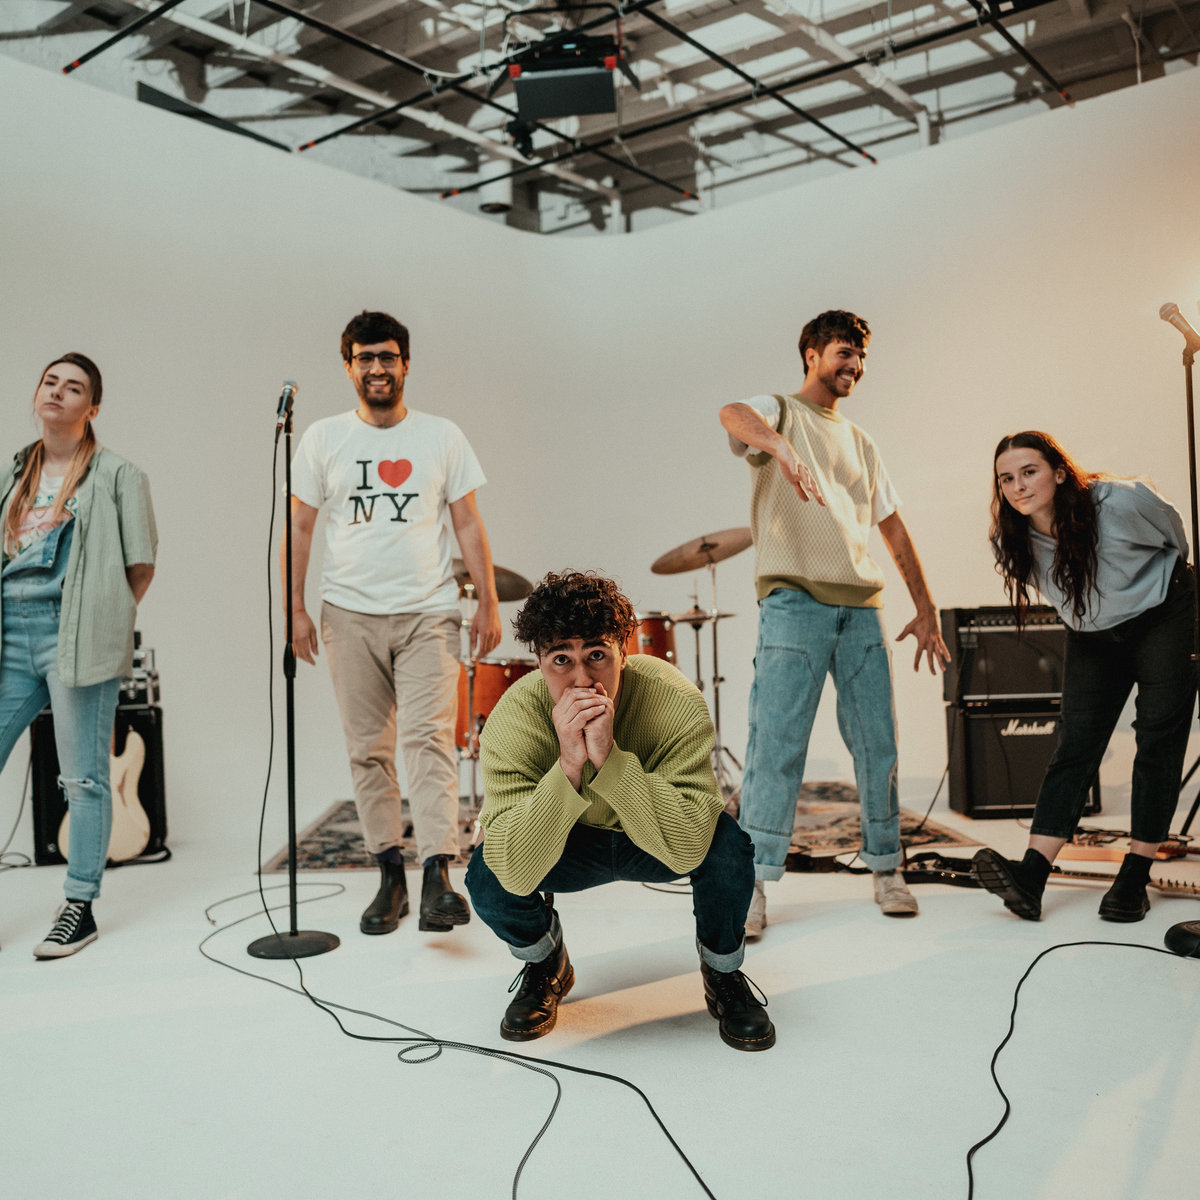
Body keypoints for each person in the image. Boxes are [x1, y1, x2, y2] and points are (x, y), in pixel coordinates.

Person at [465, 571, 774, 1051]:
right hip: (568, 844)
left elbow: (690, 844)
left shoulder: (674, 699)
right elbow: (514, 869)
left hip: (652, 835)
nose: (582, 680)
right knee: (487, 874)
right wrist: (569, 765)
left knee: (727, 846)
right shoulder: (514, 718)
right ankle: (546, 963)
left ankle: (722, 974)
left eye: (597, 655)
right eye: (561, 660)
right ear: (539, 663)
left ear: (623, 652)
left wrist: (609, 759)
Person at [719, 310, 949, 938]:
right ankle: (753, 883)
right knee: (776, 746)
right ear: (813, 354)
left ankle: (886, 867)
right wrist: (779, 447)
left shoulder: (862, 442)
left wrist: (925, 607)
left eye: (862, 356)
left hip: (863, 609)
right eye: (845, 352)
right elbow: (731, 414)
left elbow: (892, 527)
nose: (856, 365)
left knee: (879, 744)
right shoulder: (778, 412)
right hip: (794, 603)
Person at [288, 310, 501, 936]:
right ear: (348, 367)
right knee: (368, 751)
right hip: (348, 614)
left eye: (387, 356)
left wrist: (488, 601)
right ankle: (389, 877)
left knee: (429, 740)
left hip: (428, 612)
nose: (377, 367)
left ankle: (437, 876)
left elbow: (467, 521)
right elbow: (300, 527)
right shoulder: (323, 438)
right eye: (365, 357)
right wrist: (294, 609)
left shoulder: (441, 435)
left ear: (405, 364)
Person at [972, 431, 1196, 922]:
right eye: (1006, 478)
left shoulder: (1120, 502)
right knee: (1076, 743)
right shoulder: (1010, 539)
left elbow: (1175, 537)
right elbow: (1057, 590)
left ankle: (1134, 875)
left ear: (1058, 472)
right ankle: (1032, 873)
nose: (1018, 486)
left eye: (1029, 471)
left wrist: (1151, 588)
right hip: (1094, 631)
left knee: (1157, 737)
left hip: (1164, 612)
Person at [0, 353, 157, 958]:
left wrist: (100, 622)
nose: (58, 393)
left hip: (74, 636)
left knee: (84, 777)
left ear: (92, 408)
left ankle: (79, 906)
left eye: (74, 388)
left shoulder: (119, 475)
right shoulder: (16, 471)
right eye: (50, 382)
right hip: (10, 633)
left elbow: (140, 565)